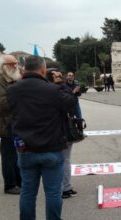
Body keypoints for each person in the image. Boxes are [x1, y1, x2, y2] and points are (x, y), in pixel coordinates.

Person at [7, 56, 76, 220]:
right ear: (43, 70)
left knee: (28, 192)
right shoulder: (52, 90)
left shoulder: (13, 90)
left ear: (24, 70)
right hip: (51, 146)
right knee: (53, 192)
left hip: (25, 147)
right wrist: (60, 83)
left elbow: (7, 112)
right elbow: (69, 102)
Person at [0, 55, 22, 194]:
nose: (15, 66)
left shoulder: (15, 78)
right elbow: (3, 103)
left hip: (15, 121)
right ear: (3, 66)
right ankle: (9, 184)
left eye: (16, 63)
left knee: (17, 154)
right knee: (9, 156)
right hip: (5, 122)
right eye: (11, 64)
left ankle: (19, 182)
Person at [46, 69, 81, 199]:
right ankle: (62, 188)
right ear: (50, 79)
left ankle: (66, 187)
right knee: (60, 160)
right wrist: (72, 93)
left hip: (65, 127)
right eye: (56, 76)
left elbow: (72, 103)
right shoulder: (54, 90)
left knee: (65, 160)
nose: (60, 77)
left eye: (61, 75)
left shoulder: (62, 88)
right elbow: (68, 102)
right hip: (57, 129)